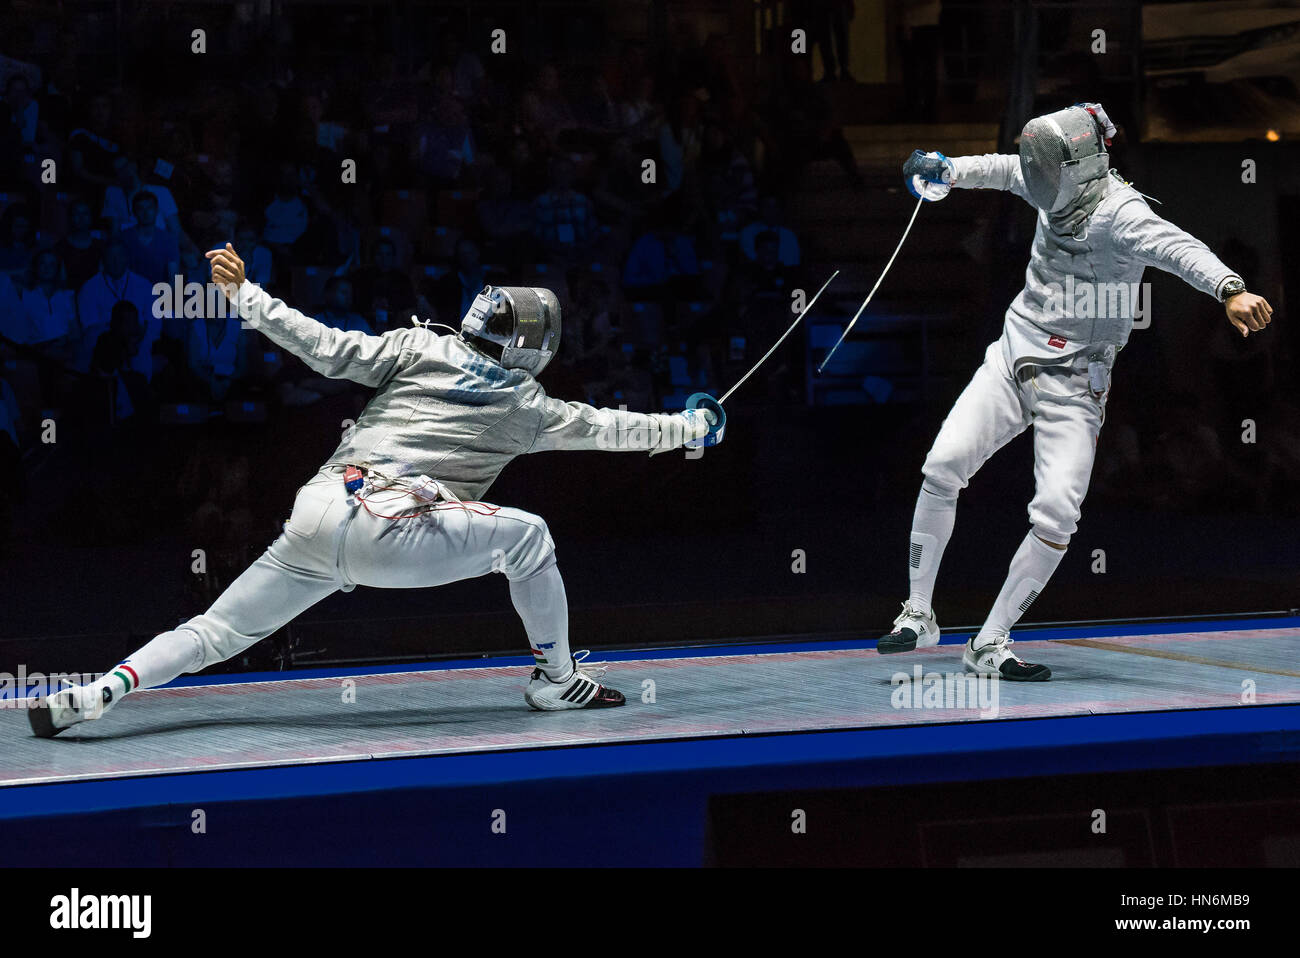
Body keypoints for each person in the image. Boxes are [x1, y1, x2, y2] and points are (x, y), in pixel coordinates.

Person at [29, 243, 721, 736]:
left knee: (213, 631)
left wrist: (246, 295)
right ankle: (556, 680)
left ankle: (97, 693)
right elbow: (610, 429)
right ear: (531, 348)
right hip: (394, 530)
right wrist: (691, 426)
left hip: (318, 510)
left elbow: (325, 347)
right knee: (529, 537)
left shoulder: (420, 347)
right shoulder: (528, 406)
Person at [880, 102, 1275, 680]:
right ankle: (918, 612)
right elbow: (998, 167)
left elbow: (1178, 247)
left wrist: (1228, 288)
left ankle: (989, 643)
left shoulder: (1123, 216)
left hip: (1076, 381)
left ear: (1081, 167)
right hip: (1014, 356)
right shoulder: (1045, 180)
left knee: (1058, 513)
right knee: (942, 465)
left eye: (1043, 166)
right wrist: (945, 168)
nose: (1032, 173)